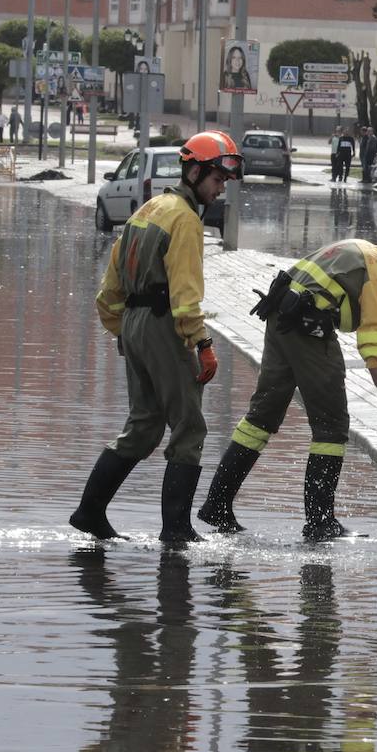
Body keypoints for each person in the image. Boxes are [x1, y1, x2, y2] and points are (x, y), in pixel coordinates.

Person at [198, 228, 377, 540]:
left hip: (282, 317)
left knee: (262, 417)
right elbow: (375, 359)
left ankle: (217, 503)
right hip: (308, 328)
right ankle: (320, 522)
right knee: (331, 425)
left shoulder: (367, 252)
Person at [70, 130, 244, 545]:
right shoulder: (184, 219)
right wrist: (201, 344)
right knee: (188, 428)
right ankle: (177, 531)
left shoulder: (148, 209)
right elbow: (186, 296)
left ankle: (90, 511)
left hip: (134, 323)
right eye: (218, 180)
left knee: (144, 426)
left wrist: (125, 333)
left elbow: (108, 289)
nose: (221, 190)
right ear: (197, 171)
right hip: (166, 327)